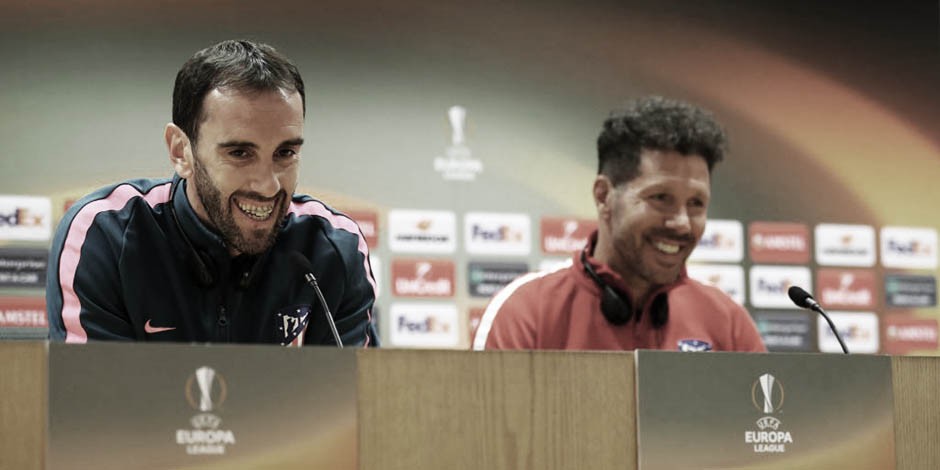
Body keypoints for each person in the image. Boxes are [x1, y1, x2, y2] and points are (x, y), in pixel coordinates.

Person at [46, 39, 377, 346]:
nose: (269, 185)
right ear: (181, 151)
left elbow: (350, 390)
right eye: (240, 153)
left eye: (285, 153)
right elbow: (95, 389)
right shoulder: (105, 237)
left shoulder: (335, 249)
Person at [473, 96, 765, 352]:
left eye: (696, 203)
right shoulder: (525, 312)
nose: (682, 224)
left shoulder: (728, 324)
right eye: (660, 198)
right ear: (604, 196)